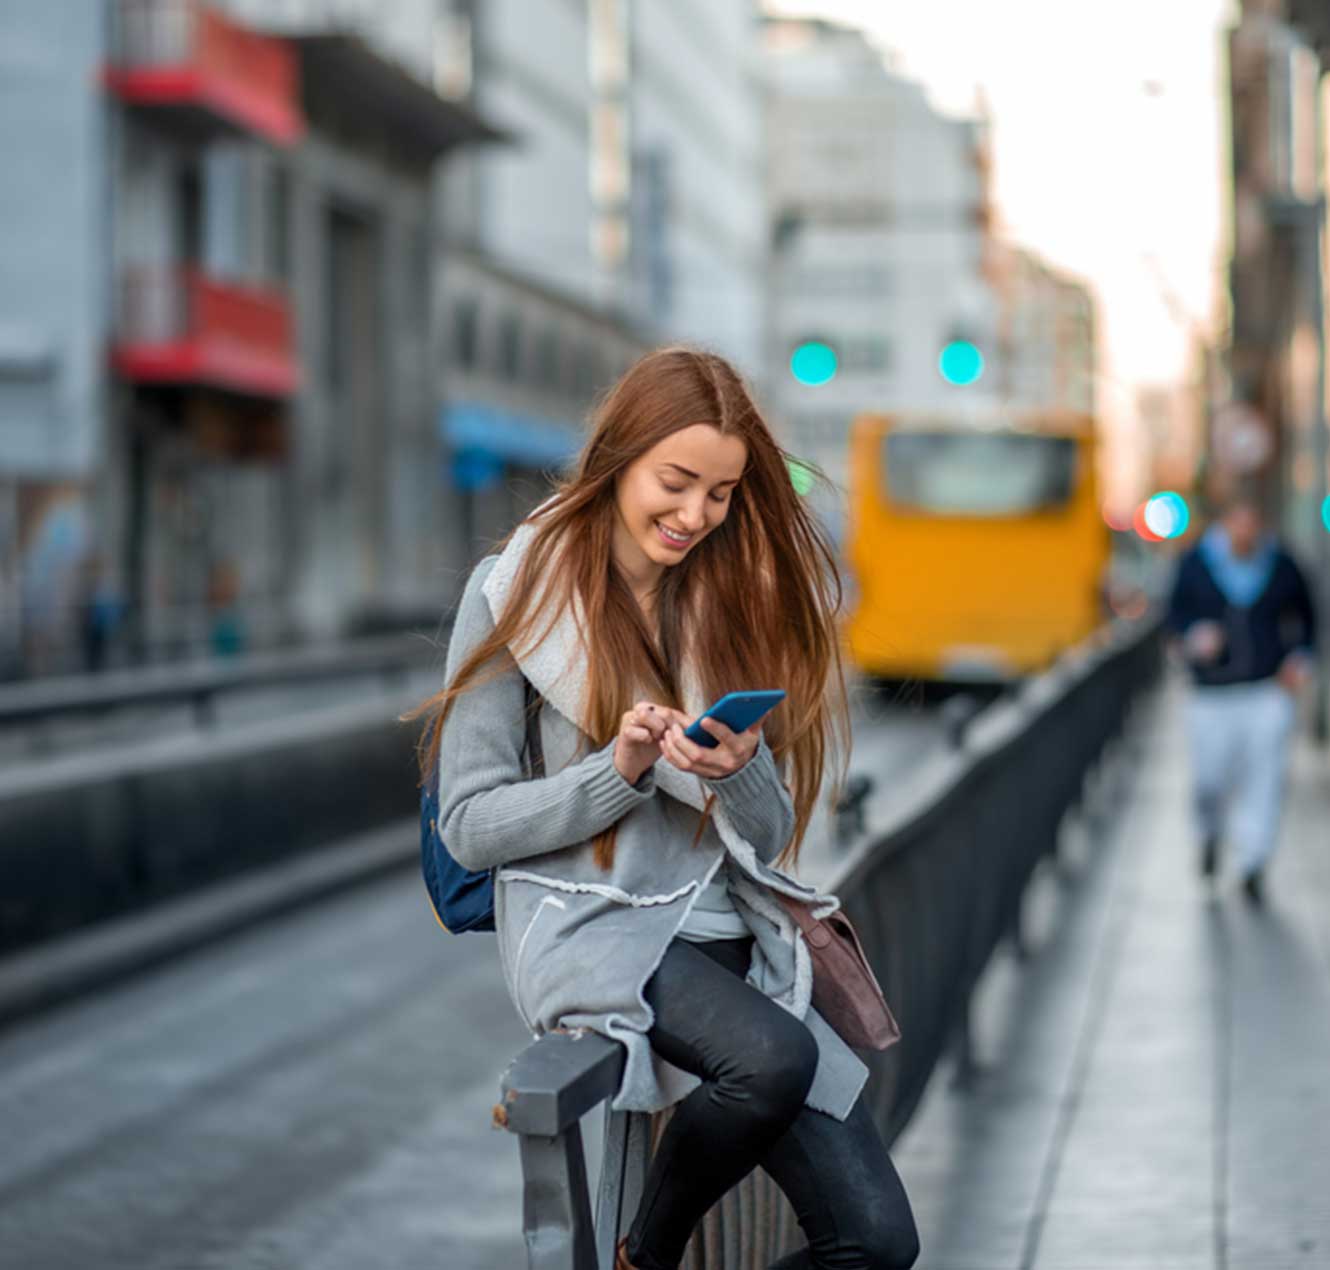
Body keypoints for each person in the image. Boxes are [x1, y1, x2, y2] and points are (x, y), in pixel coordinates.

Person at [415, 348, 919, 1269]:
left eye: (721, 494)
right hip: (592, 925)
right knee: (772, 1060)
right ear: (619, 459)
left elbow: (765, 839)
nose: (696, 517)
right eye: (676, 483)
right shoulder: (514, 595)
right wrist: (618, 770)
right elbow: (469, 824)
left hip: (733, 932)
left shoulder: (720, 598)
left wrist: (739, 769)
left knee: (878, 1242)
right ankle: (646, 1253)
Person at [1165, 491, 1318, 904]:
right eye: (1239, 522)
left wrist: (1299, 658)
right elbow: (1173, 616)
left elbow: (1305, 616)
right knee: (1209, 779)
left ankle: (1253, 861)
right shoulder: (1196, 562)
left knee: (1264, 777)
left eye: (1253, 523)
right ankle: (1210, 836)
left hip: (1265, 691)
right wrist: (1195, 636)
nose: (1246, 531)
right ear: (1226, 522)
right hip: (1210, 695)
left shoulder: (1280, 563)